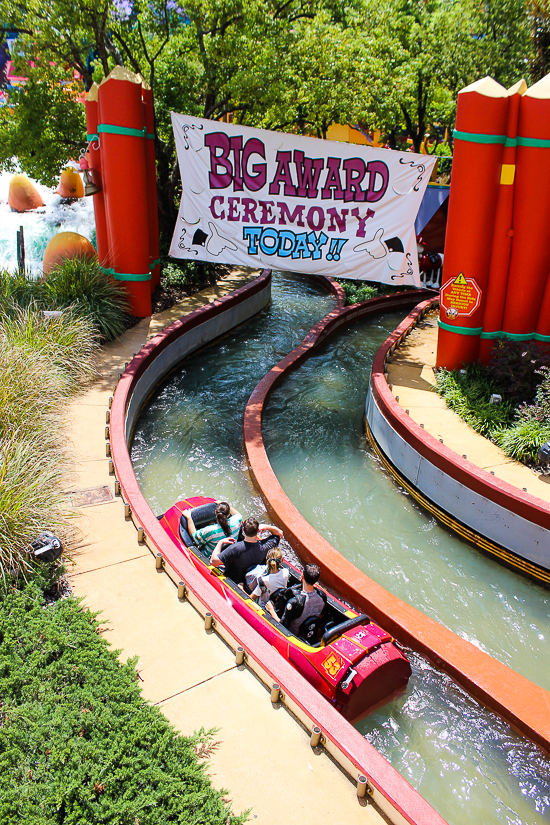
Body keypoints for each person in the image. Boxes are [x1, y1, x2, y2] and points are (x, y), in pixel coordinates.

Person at [210, 517, 283, 587]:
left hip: (233, 580)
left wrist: (220, 542)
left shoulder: (235, 549)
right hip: (250, 580)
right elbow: (279, 533)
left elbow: (213, 562)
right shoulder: (266, 546)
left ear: (243, 529)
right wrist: (267, 527)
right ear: (258, 530)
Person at [266, 564, 325, 638]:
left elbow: (282, 626)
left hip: (294, 636)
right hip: (309, 632)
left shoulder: (295, 602)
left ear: (302, 577)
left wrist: (271, 610)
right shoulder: (322, 596)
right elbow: (321, 616)